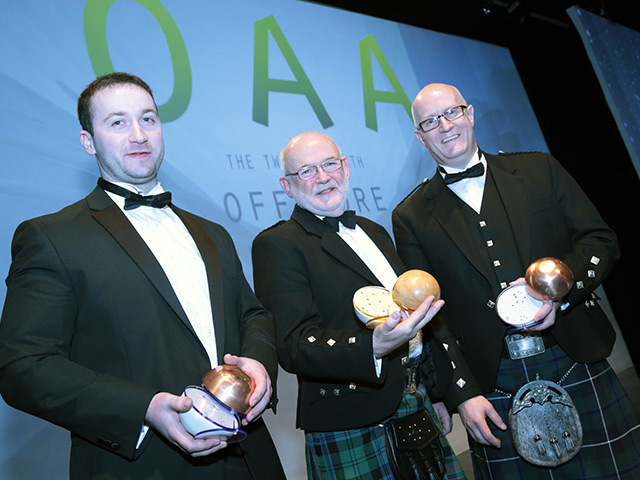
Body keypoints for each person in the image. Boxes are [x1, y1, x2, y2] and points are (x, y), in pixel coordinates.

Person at [0, 72, 286, 480]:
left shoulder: (212, 232)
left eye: (148, 119)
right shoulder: (51, 237)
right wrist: (144, 408)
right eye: (117, 122)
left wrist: (259, 363)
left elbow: (252, 315)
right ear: (88, 141)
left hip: (250, 460)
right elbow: (22, 368)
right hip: (142, 465)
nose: (138, 135)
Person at [392, 82, 640, 478]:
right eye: (430, 121)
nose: (445, 126)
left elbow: (600, 240)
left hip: (573, 356)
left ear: (469, 114)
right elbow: (430, 315)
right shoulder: (409, 216)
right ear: (421, 138)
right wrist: (461, 392)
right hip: (493, 381)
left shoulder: (539, 168)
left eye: (452, 112)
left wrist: (560, 296)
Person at [252, 131, 468, 479]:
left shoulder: (374, 231)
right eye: (306, 171)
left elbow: (413, 321)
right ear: (287, 186)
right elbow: (292, 345)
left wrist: (434, 391)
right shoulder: (276, 245)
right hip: (350, 419)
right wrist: (373, 346)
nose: (323, 177)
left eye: (329, 164)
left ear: (346, 167)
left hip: (416, 402)